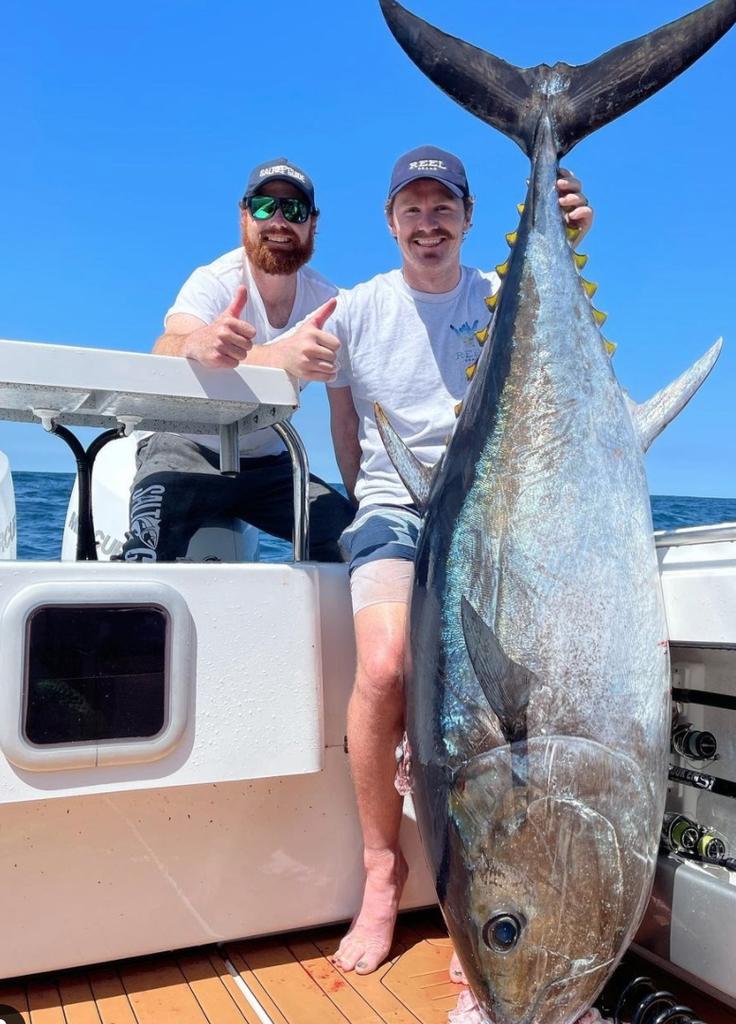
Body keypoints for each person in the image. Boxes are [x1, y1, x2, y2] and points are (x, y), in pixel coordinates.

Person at [287, 145, 593, 975]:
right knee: (385, 666)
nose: (428, 224)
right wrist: (371, 502)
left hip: (490, 516)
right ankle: (384, 875)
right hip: (393, 508)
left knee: (509, 690)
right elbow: (345, 426)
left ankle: (493, 884)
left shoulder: (499, 298)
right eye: (412, 210)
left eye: (443, 207)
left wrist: (567, 232)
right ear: (390, 222)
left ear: (466, 215)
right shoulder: (353, 311)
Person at [119, 158, 354, 563]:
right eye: (265, 207)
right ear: (244, 215)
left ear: (313, 224)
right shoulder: (213, 281)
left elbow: (347, 418)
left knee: (357, 543)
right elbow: (165, 345)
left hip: (271, 465)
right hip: (184, 451)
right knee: (143, 557)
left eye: (294, 210)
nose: (279, 220)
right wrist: (195, 342)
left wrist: (363, 501)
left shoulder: (332, 303)